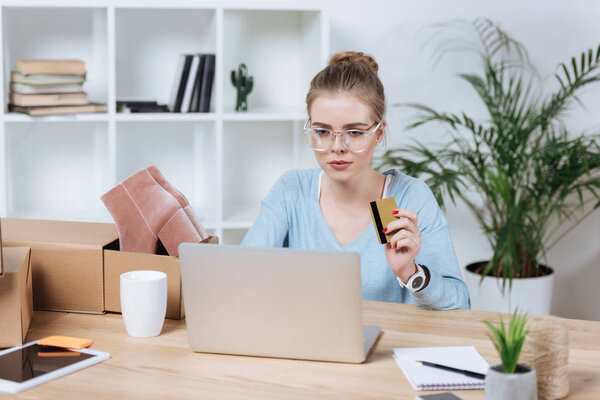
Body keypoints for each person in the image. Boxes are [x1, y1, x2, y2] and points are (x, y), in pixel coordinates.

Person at [242, 51, 470, 310]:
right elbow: (243, 277)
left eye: (354, 132)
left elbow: (461, 306)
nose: (337, 146)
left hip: (387, 347)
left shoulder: (399, 201)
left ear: (379, 133)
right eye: (322, 132)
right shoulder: (293, 191)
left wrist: (410, 271)